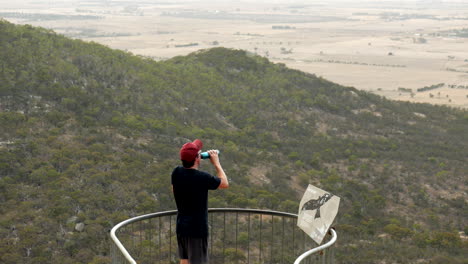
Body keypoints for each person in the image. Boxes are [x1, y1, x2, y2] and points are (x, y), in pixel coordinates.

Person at [171, 139, 229, 264]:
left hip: (181, 226)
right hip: (196, 230)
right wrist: (216, 163)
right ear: (198, 158)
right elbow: (224, 183)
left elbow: (174, 189)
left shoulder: (176, 172)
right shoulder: (202, 177)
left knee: (184, 261)